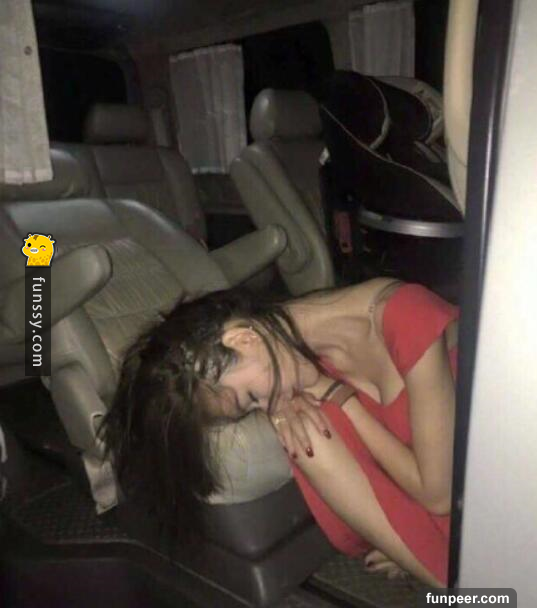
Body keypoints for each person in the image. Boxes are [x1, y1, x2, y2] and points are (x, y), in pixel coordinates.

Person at [101, 278, 458, 587]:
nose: (271, 407)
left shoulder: (403, 314)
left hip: (477, 483)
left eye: (251, 398)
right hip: (432, 489)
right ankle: (437, 567)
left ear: (243, 338)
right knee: (305, 432)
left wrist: (339, 396)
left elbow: (437, 495)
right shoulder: (285, 343)